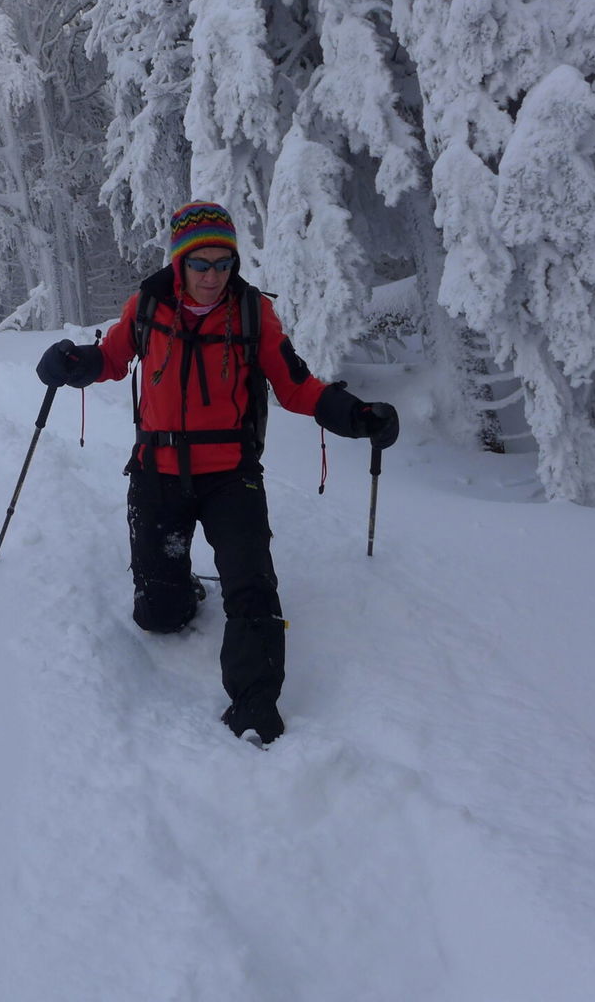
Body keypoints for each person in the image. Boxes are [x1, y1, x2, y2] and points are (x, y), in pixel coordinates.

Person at [34, 202, 399, 747]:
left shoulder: (253, 314)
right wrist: (73, 363)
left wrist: (356, 415)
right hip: (157, 472)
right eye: (201, 264)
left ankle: (255, 706)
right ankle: (180, 591)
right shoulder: (147, 306)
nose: (212, 276)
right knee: (159, 616)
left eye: (223, 264)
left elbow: (295, 385)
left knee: (251, 587)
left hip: (231, 475)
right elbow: (111, 358)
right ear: (180, 263)